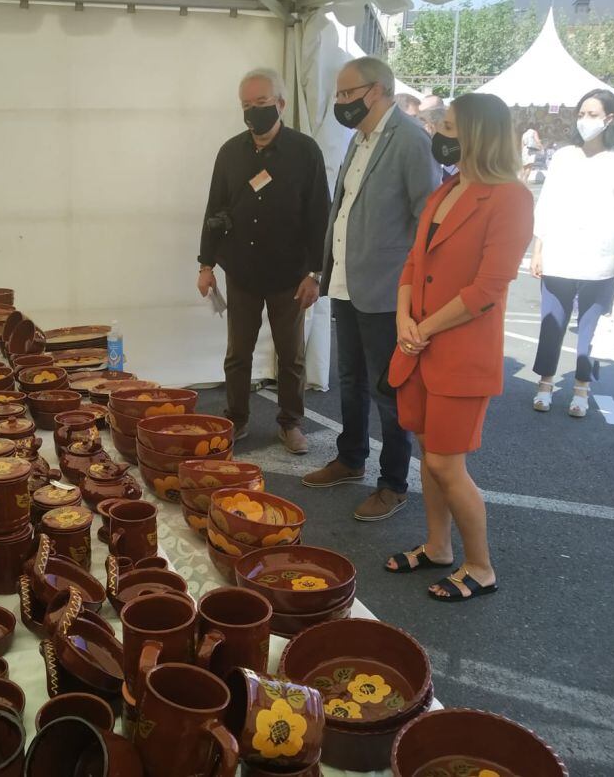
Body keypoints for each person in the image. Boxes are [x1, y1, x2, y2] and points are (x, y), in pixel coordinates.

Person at [385, 93, 533, 601]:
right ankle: (437, 547)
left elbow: (488, 290)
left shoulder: (510, 197)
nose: (438, 133)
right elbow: (413, 262)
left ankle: (481, 565)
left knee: (447, 463)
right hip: (420, 347)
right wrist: (406, 317)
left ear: (478, 133)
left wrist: (423, 328)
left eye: (448, 125)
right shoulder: (444, 191)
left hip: (460, 355)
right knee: (429, 457)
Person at [301, 57, 440, 521]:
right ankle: (350, 458)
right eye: (337, 95)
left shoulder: (410, 141)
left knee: (388, 391)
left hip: (385, 292)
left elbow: (427, 222)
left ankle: (394, 483)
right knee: (351, 381)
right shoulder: (359, 139)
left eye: (346, 94)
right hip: (347, 282)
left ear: (377, 90)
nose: (340, 102)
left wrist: (412, 292)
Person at [197, 68, 330, 453]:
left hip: (290, 274)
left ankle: (290, 422)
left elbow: (319, 215)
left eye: (262, 104)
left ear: (281, 104)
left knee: (291, 356)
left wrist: (315, 273)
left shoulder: (305, 152)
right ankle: (236, 419)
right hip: (242, 271)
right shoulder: (230, 152)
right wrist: (206, 264)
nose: (254, 112)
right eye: (246, 105)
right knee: (238, 353)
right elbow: (214, 209)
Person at [530, 89, 614, 418]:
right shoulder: (564, 156)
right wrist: (538, 248)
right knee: (552, 323)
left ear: (610, 119)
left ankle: (582, 388)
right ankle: (546, 384)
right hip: (560, 253)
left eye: (593, 114)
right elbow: (547, 202)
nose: (585, 120)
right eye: (582, 113)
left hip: (602, 256)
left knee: (592, 328)